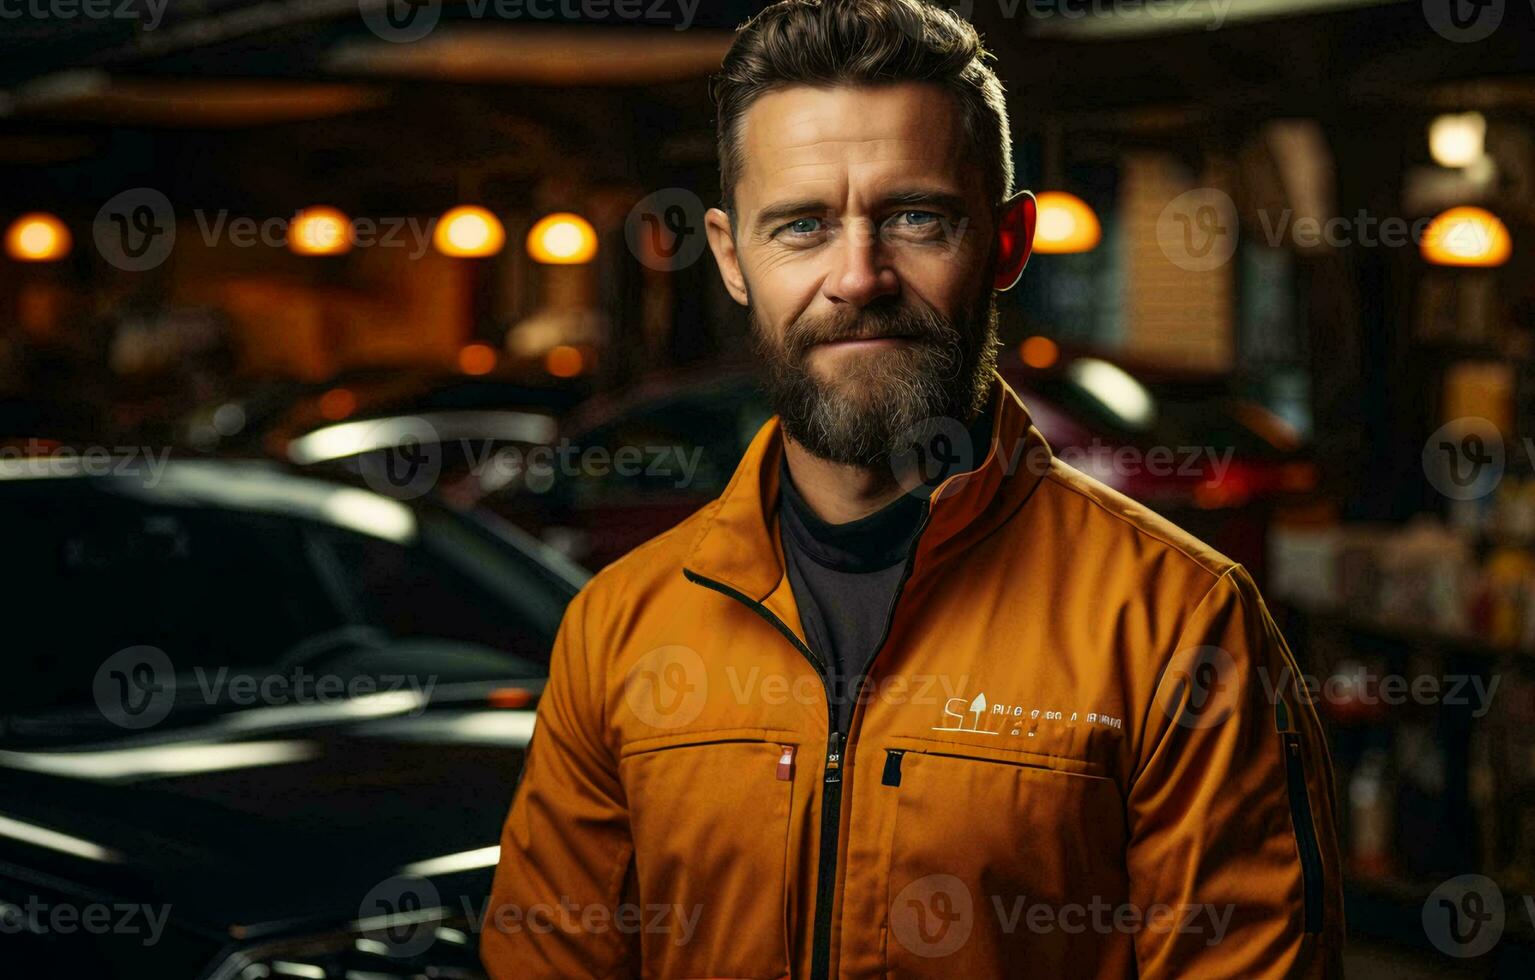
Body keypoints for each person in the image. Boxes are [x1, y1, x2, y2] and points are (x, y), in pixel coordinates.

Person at [483, 1, 1343, 976]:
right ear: (732, 259)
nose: (859, 276)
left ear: (1007, 244)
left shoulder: (1177, 624)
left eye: (916, 217)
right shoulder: (615, 630)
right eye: (802, 225)